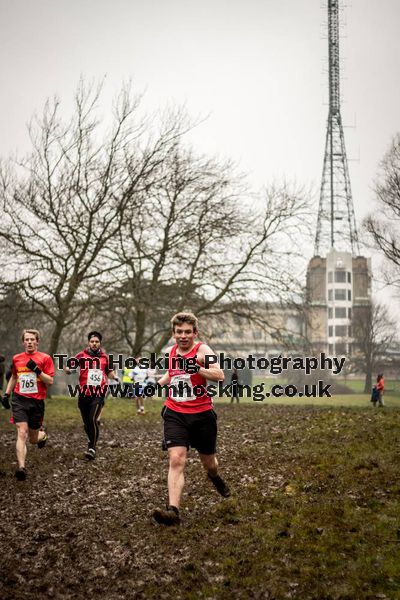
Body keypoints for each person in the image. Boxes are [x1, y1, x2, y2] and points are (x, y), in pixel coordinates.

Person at [153, 312, 230, 527]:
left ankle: (214, 477)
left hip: (202, 415)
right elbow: (173, 374)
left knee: (209, 463)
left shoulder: (203, 350)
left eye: (188, 332)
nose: (183, 336)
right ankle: (173, 511)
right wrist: (155, 384)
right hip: (175, 412)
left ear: (195, 333)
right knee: (176, 459)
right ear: (173, 333)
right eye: (179, 332)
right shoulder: (170, 353)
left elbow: (220, 374)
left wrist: (198, 367)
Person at [1, 329, 54, 481]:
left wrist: (37, 370)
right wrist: (6, 394)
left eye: (32, 339)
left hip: (37, 402)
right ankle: (21, 468)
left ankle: (42, 436)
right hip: (19, 400)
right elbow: (14, 377)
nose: (30, 342)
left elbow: (50, 381)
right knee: (21, 432)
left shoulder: (45, 358)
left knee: (33, 439)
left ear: (37, 342)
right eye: (27, 339)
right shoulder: (17, 358)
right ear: (23, 342)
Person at [65, 331, 118, 460]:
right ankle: (91, 441)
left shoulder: (105, 358)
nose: (94, 344)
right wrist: (69, 370)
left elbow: (109, 373)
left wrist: (115, 377)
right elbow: (69, 367)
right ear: (89, 343)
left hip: (99, 393)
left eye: (97, 342)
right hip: (84, 393)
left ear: (100, 343)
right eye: (92, 341)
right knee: (87, 423)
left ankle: (92, 447)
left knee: (93, 419)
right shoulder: (81, 355)